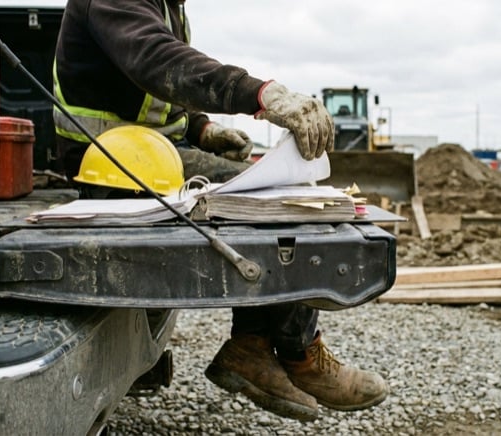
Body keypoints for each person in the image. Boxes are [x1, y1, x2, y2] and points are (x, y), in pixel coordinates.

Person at [52, 0, 388, 422]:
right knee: (277, 196)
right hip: (108, 161)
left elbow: (145, 96)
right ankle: (291, 353)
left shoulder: (164, 5)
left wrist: (203, 130)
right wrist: (260, 94)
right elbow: (158, 62)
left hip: (146, 152)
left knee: (270, 188)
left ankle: (255, 347)